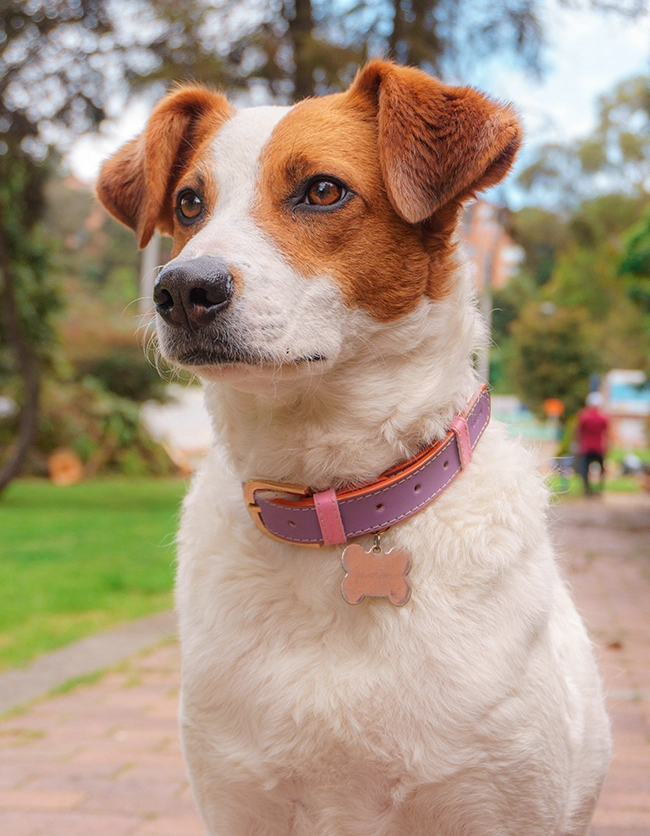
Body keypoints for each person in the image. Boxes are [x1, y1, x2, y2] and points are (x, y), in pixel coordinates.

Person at [575, 392, 609, 496]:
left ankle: (587, 490)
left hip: (586, 447)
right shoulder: (603, 417)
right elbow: (607, 433)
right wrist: (607, 445)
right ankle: (600, 489)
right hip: (599, 447)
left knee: (585, 470)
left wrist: (577, 444)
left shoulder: (584, 417)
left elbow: (578, 432)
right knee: (601, 470)